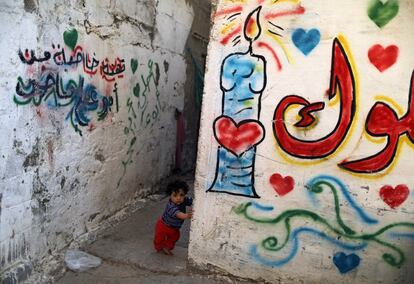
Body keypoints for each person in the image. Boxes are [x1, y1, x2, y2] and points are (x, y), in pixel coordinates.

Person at [153, 180, 193, 255]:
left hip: (174, 228)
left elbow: (191, 201)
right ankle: (159, 247)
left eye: (181, 195)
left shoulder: (184, 200)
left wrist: (195, 203)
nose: (178, 198)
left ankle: (167, 247)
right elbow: (178, 214)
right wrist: (187, 216)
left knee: (175, 237)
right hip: (163, 225)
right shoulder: (171, 206)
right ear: (170, 195)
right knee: (159, 238)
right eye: (175, 195)